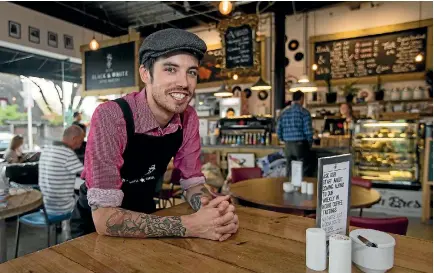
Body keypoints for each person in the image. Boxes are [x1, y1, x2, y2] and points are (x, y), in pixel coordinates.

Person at [71, 28, 238, 241]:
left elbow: (193, 184)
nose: (185, 83)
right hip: (91, 232)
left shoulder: (188, 118)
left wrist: (214, 212)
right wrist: (190, 225)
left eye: (191, 72)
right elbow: (105, 218)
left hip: (147, 216)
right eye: (170, 69)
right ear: (145, 74)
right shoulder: (112, 116)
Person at [38, 125, 84, 216]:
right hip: (63, 207)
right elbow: (87, 174)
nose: (80, 146)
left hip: (45, 206)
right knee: (90, 204)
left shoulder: (46, 149)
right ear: (74, 138)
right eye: (80, 141)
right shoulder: (67, 153)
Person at [277, 91, 313, 177]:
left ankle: (289, 189)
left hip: (288, 145)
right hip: (300, 145)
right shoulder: (304, 112)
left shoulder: (284, 112)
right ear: (301, 98)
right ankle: (303, 189)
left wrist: (283, 139)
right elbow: (308, 131)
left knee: (290, 170)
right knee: (304, 169)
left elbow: (278, 129)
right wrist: (310, 142)